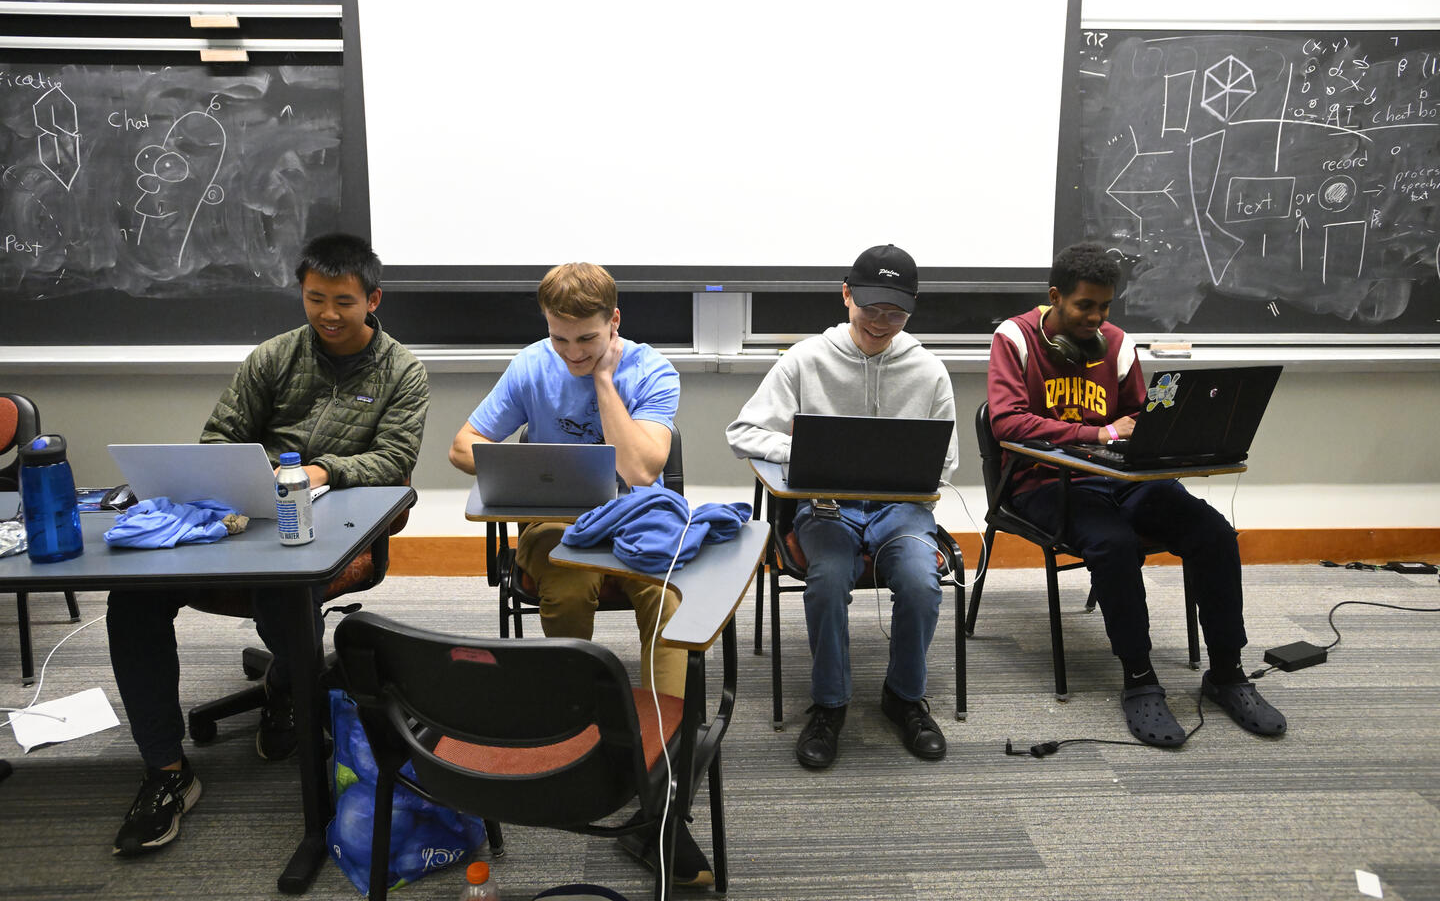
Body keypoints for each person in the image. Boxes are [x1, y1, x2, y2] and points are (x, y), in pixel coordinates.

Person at [106, 233, 430, 856]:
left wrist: (324, 471)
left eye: (342, 300)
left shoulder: (401, 371)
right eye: (314, 298)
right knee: (132, 597)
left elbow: (393, 460)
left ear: (373, 299)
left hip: (332, 525)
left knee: (287, 601)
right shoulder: (273, 356)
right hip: (240, 518)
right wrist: (242, 479)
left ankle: (291, 684)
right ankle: (167, 771)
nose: (327, 314)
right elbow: (220, 436)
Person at [447, 262, 712, 887]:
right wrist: (531, 469)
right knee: (567, 578)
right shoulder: (530, 364)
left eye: (586, 339)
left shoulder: (652, 371)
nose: (570, 352)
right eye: (559, 338)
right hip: (554, 528)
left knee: (668, 596)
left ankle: (661, 776)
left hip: (637, 523)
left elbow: (645, 469)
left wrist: (604, 383)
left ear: (613, 322)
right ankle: (583, 725)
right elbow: (461, 447)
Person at [986, 241, 1287, 747]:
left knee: (1212, 533)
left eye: (1105, 306)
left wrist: (1175, 440)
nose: (1097, 318)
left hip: (1120, 479)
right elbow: (1006, 421)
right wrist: (1096, 434)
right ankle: (1140, 680)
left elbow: (1141, 421)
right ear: (1056, 296)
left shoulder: (1117, 343)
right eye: (1085, 306)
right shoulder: (1014, 338)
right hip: (1044, 483)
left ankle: (1228, 672)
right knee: (1116, 545)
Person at [726, 244, 958, 769]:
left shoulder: (929, 371)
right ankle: (829, 705)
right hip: (826, 508)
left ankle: (904, 698)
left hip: (901, 509)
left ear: (912, 307)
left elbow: (945, 462)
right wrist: (805, 453)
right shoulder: (806, 360)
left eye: (895, 312)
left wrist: (908, 474)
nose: (881, 321)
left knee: (922, 582)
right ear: (847, 294)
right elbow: (742, 432)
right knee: (828, 580)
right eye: (870, 306)